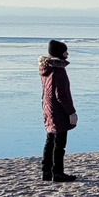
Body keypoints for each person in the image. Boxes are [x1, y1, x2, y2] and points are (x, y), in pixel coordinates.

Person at [39, 39, 79, 182]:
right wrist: (71, 112)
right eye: (65, 51)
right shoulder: (59, 71)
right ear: (60, 53)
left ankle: (47, 172)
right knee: (59, 143)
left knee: (50, 140)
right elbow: (61, 95)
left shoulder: (46, 69)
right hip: (58, 110)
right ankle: (57, 173)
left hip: (48, 108)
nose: (67, 54)